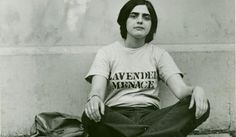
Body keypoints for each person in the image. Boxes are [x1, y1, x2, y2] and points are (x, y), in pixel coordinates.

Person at [82, 0, 210, 137]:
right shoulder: (107, 53)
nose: (140, 21)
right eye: (134, 16)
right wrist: (94, 99)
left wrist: (197, 90)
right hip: (116, 117)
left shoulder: (159, 54)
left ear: (151, 25)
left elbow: (181, 90)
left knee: (199, 104)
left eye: (146, 17)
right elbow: (97, 90)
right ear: (124, 20)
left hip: (152, 117)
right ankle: (152, 135)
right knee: (89, 115)